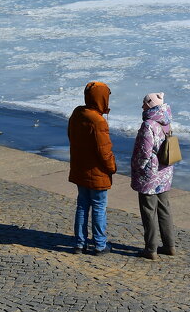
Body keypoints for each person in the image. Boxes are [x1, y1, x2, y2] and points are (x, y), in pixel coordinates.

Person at [68, 81, 116, 255]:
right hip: (97, 173)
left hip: (80, 168)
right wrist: (112, 167)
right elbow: (105, 152)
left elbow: (71, 138)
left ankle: (79, 244)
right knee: (98, 207)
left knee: (82, 205)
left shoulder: (77, 114)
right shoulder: (98, 121)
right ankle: (100, 245)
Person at [131, 92, 176, 260]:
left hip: (149, 175)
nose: (142, 107)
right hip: (164, 173)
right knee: (165, 209)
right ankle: (169, 246)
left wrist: (137, 168)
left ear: (150, 105)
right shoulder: (166, 122)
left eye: (144, 104)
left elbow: (144, 152)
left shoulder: (148, 125)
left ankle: (151, 249)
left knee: (149, 211)